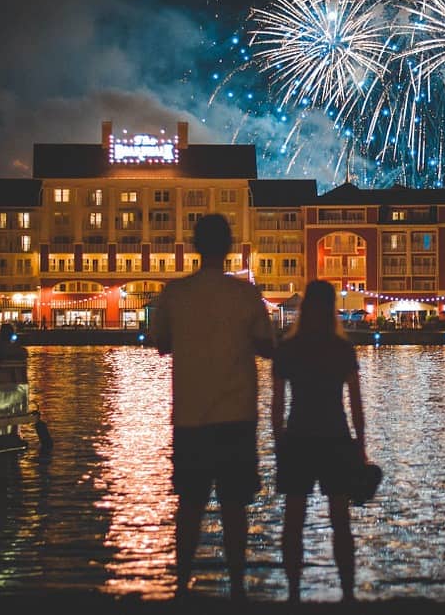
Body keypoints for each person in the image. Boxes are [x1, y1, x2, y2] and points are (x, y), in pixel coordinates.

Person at [150, 213, 276, 601]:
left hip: (190, 416)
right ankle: (237, 588)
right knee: (235, 506)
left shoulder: (174, 294)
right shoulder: (246, 295)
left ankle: (182, 586)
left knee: (190, 504)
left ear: (194, 246)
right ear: (229, 248)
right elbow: (267, 346)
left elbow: (160, 343)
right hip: (237, 415)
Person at [272, 279, 367, 604]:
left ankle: (294, 593)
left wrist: (278, 441)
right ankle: (348, 593)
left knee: (293, 520)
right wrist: (361, 445)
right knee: (341, 521)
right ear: (332, 309)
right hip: (335, 436)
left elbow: (277, 404)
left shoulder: (288, 348)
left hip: (298, 436)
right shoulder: (342, 349)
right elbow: (355, 402)